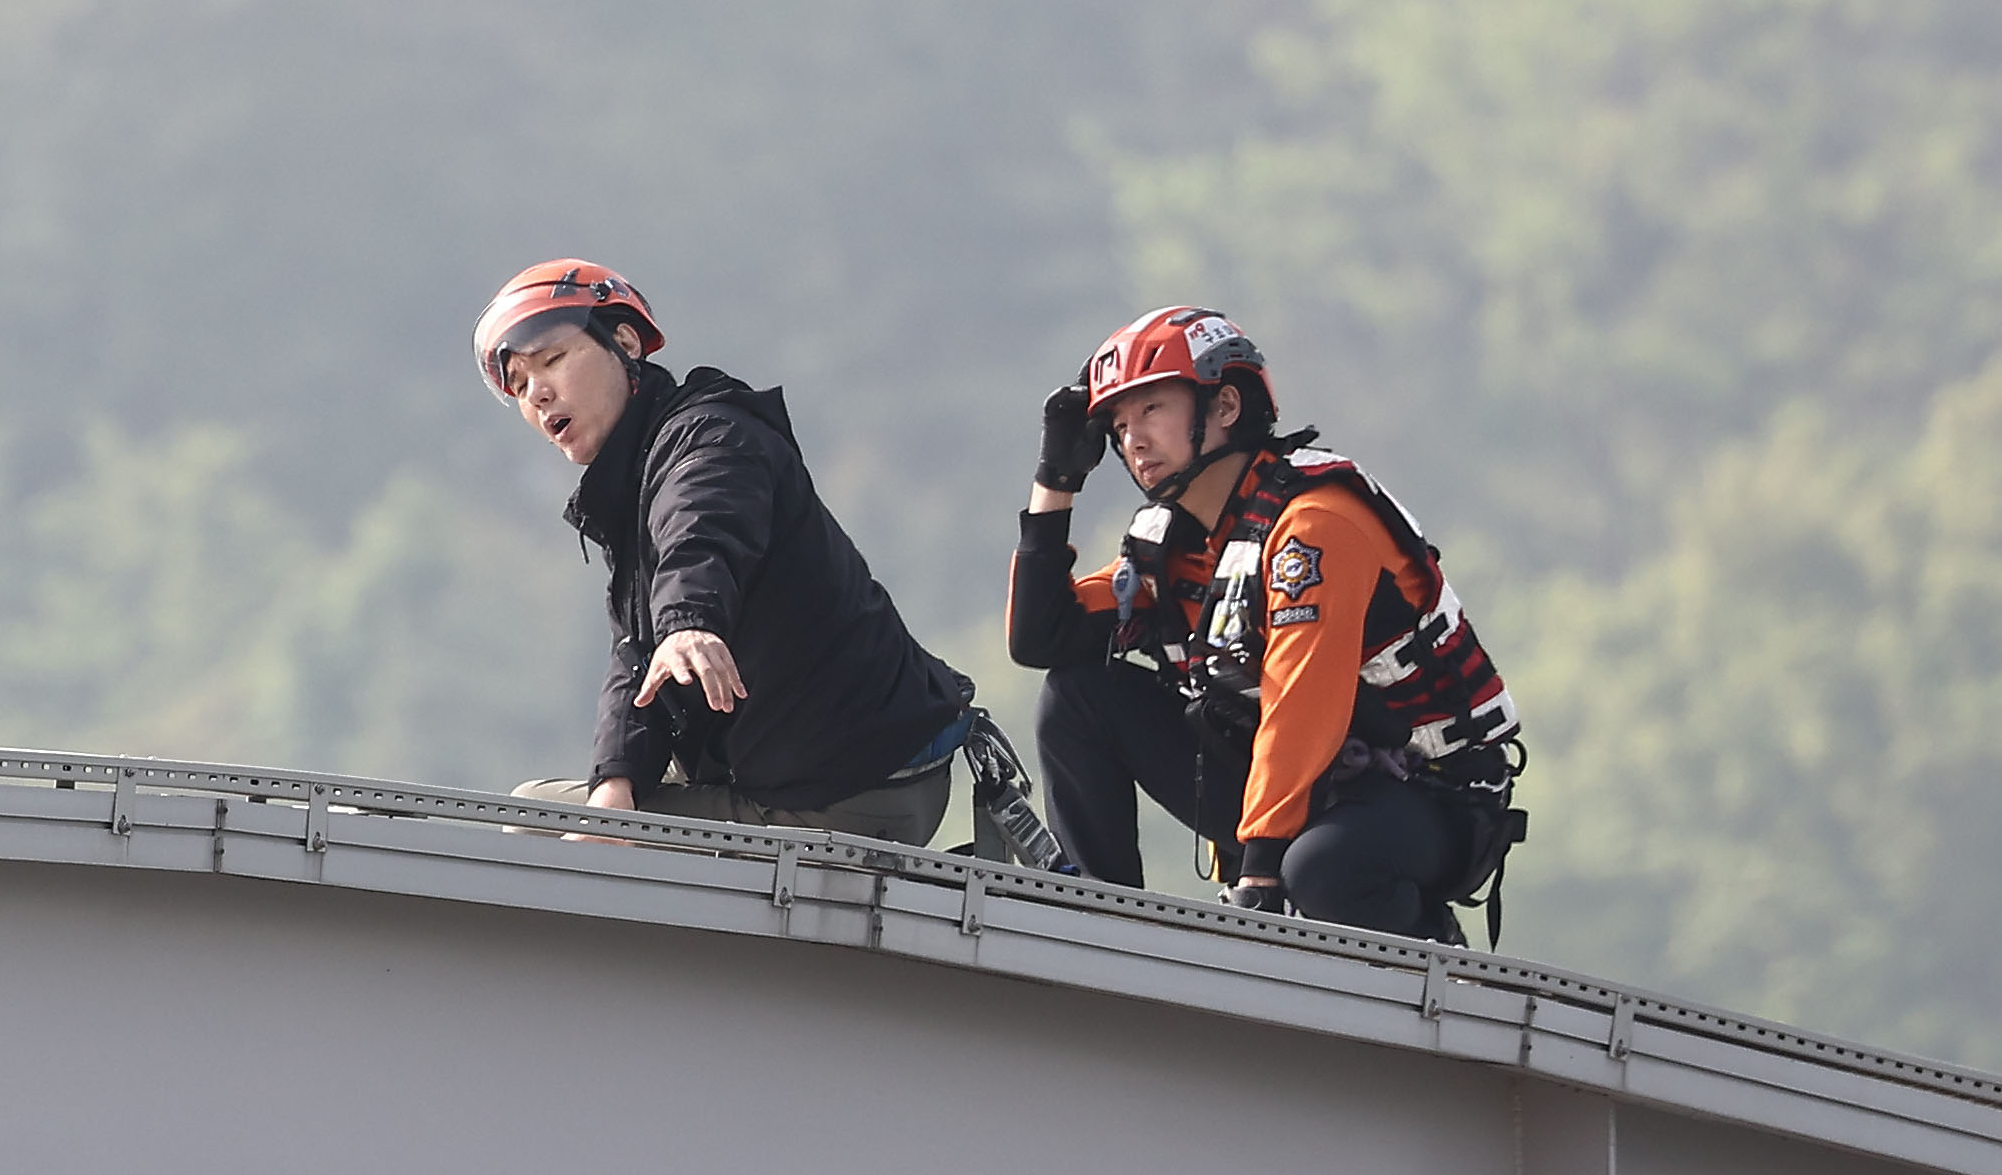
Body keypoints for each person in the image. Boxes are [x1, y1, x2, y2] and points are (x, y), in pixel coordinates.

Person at [1010, 305, 1522, 937]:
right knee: (1075, 695)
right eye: (1117, 424)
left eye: (1151, 410)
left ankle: (1435, 950)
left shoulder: (1316, 522)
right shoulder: (1171, 545)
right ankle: (1101, 925)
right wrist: (1055, 480)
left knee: (1320, 868)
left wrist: (1258, 879)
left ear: (1224, 407)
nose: (1132, 440)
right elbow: (1041, 638)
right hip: (1296, 790)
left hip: (1426, 794)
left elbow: (1301, 702)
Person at [482, 260, 978, 845]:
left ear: (624, 343)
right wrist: (616, 779)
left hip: (842, 796)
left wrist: (689, 624)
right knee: (593, 810)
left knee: (529, 819)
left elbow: (704, 530)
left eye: (553, 360)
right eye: (519, 385)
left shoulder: (711, 439)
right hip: (849, 776)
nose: (537, 393)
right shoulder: (637, 481)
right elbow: (636, 658)